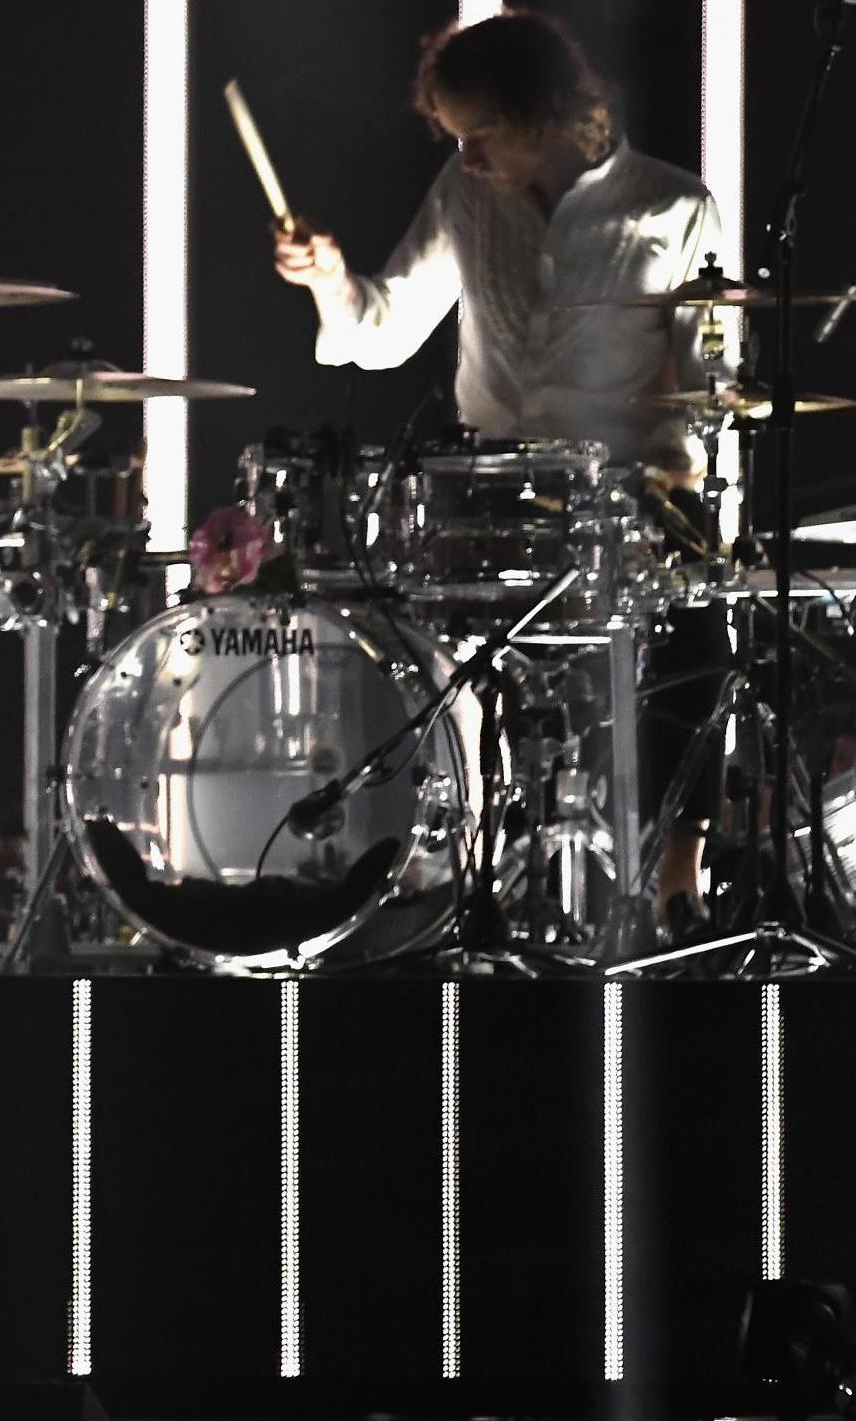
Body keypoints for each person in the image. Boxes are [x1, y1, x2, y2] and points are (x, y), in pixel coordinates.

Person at [272, 11, 728, 938]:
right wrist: (327, 276)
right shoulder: (463, 195)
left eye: (479, 136)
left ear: (546, 113)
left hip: (629, 508)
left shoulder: (672, 207)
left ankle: (678, 876)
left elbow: (717, 387)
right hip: (495, 505)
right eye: (454, 139)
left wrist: (689, 493)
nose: (466, 158)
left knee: (699, 631)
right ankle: (469, 872)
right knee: (456, 668)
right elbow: (381, 328)